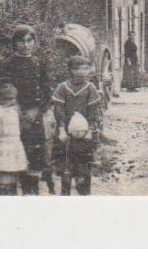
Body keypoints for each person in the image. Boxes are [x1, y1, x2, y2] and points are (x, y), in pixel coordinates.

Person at [0, 24, 53, 194]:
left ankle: (32, 190)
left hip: (34, 115)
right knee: (14, 151)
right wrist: (14, 108)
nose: (25, 45)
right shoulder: (8, 64)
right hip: (13, 115)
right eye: (21, 41)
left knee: (33, 153)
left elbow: (46, 89)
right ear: (15, 43)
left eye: (30, 41)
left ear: (34, 42)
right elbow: (3, 88)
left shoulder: (39, 63)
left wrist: (39, 109)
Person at [51, 55, 107, 195]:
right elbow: (59, 111)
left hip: (84, 135)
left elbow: (94, 112)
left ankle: (84, 194)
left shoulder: (90, 88)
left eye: (88, 69)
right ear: (73, 71)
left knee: (83, 170)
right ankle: (65, 194)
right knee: (66, 169)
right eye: (83, 69)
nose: (86, 72)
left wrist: (90, 130)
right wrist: (62, 129)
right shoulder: (62, 88)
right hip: (67, 136)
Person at [0, 77, 30, 195]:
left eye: (12, 100)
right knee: (1, 175)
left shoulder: (18, 112)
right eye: (5, 100)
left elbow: (24, 128)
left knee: (13, 173)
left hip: (14, 146)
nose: (10, 103)